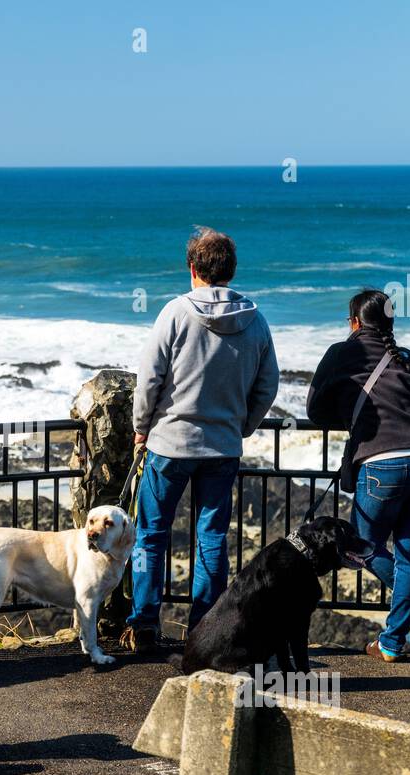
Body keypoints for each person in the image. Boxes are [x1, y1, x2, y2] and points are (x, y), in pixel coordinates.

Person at [123, 227, 279, 652]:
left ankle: (144, 623)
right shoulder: (256, 319)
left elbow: (149, 378)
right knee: (211, 537)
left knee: (151, 534)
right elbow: (268, 386)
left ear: (192, 269)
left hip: (169, 443)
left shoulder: (175, 313)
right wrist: (242, 425)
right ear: (230, 270)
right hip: (222, 447)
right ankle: (205, 628)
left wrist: (141, 427)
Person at [306, 289, 410, 661]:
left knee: (359, 546)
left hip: (383, 463)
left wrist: (351, 417)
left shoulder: (343, 353)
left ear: (355, 322)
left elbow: (313, 409)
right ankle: (395, 639)